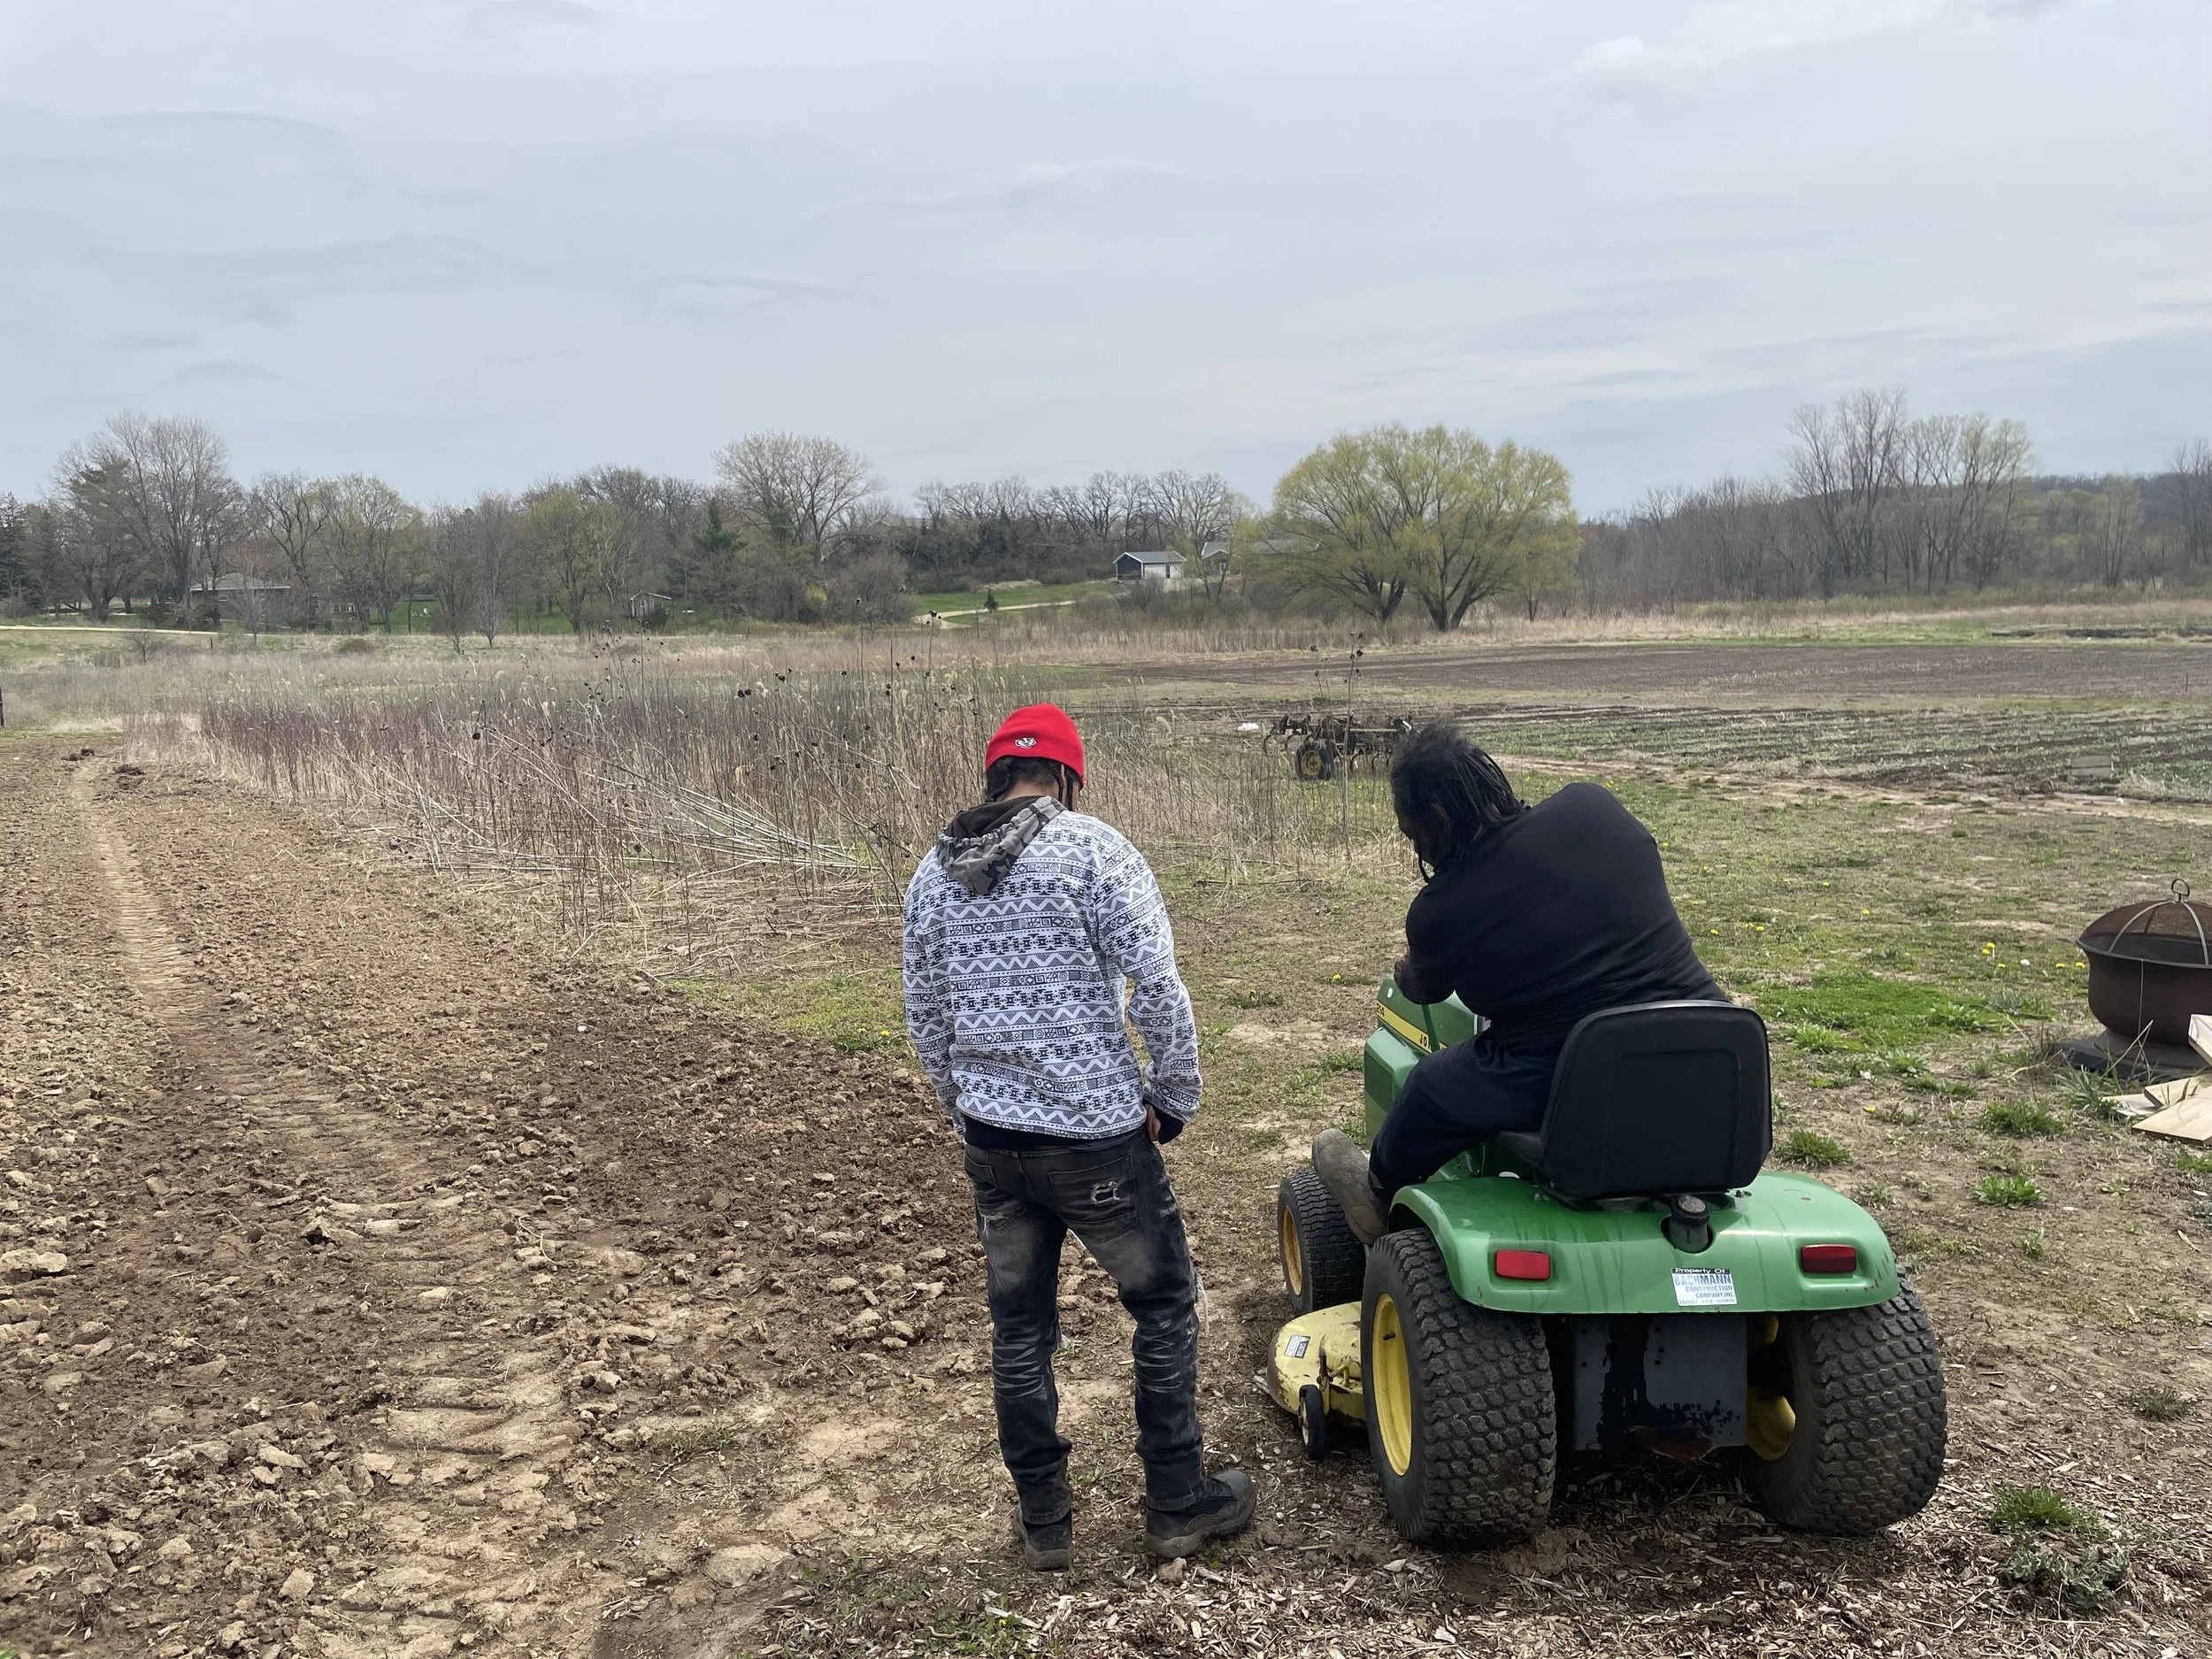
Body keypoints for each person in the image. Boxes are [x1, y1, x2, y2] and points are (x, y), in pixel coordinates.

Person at [902, 703, 1256, 1571]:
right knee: (1163, 1303)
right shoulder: (1094, 850)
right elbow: (1158, 983)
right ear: (1065, 777)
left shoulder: (930, 875)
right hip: (1095, 1140)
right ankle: (1176, 1500)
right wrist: (1173, 1095)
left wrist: (963, 1108)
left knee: (1019, 1328)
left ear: (994, 777)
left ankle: (1045, 1523)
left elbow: (924, 1016)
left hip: (993, 1143)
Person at [1314, 720, 1724, 1242]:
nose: (1421, 853)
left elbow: (1424, 988)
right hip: (1708, 1059)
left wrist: (1408, 966)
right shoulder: (1594, 808)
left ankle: (1377, 1191)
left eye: (1414, 836)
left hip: (1577, 1083)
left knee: (1431, 1085)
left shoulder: (1444, 909)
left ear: (1438, 818)